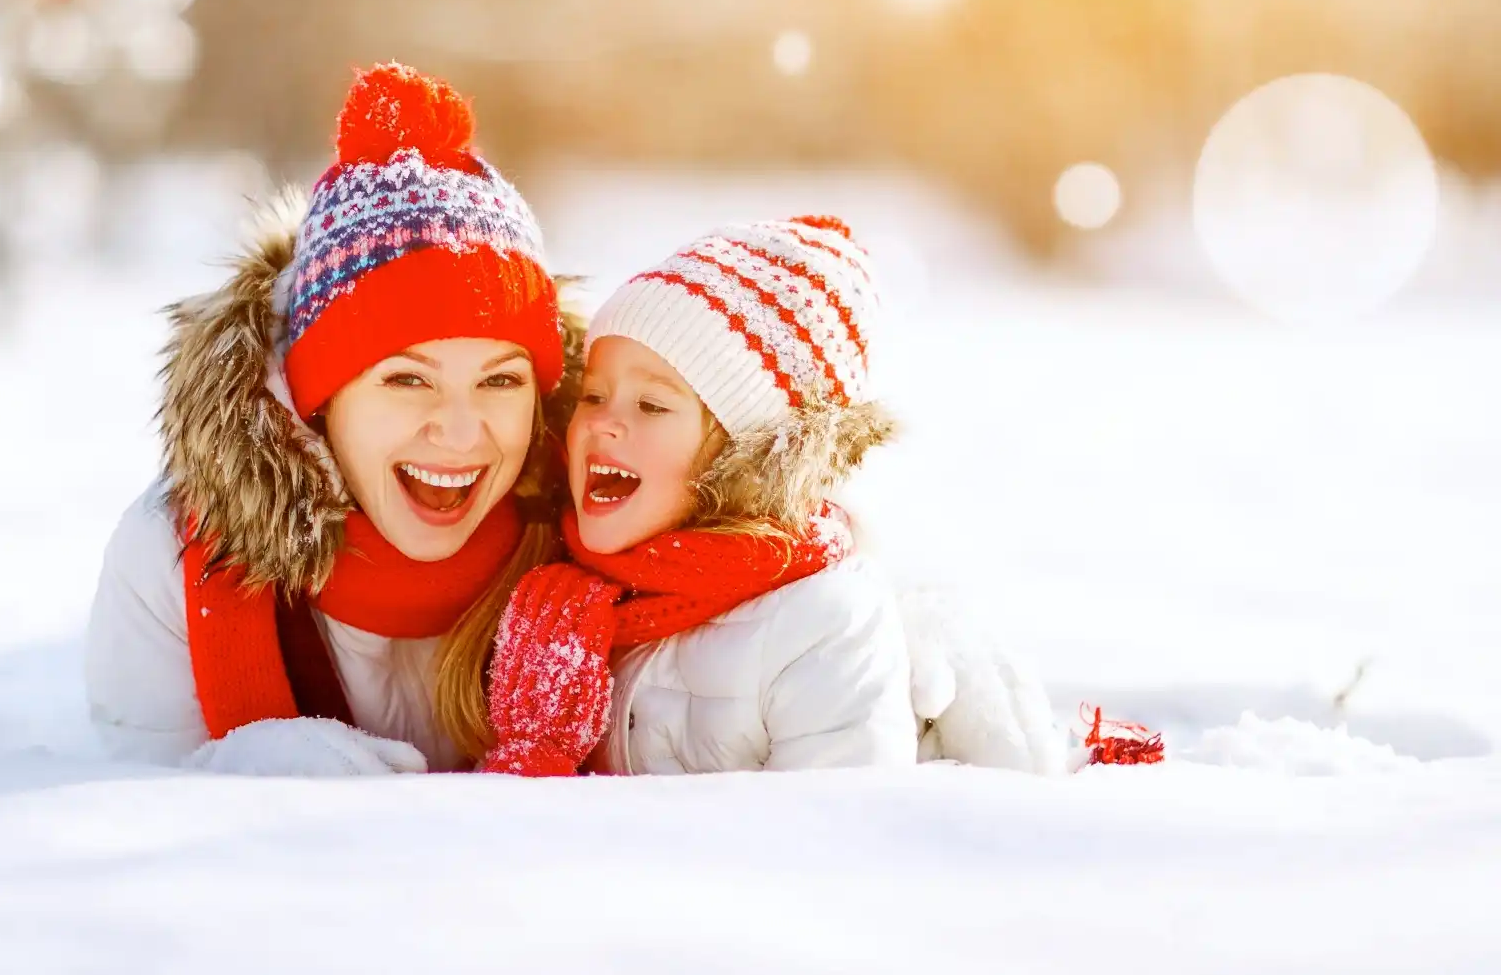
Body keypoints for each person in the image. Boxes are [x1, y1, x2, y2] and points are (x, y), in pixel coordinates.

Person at [84, 62, 576, 776]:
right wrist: (239, 773)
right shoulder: (171, 561)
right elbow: (126, 809)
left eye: (501, 379)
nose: (463, 431)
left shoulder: (590, 542)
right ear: (315, 395)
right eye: (408, 379)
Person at [482, 215, 1067, 776]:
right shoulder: (559, 602)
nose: (602, 425)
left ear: (746, 453)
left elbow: (836, 827)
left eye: (652, 405)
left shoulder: (821, 622)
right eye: (593, 396)